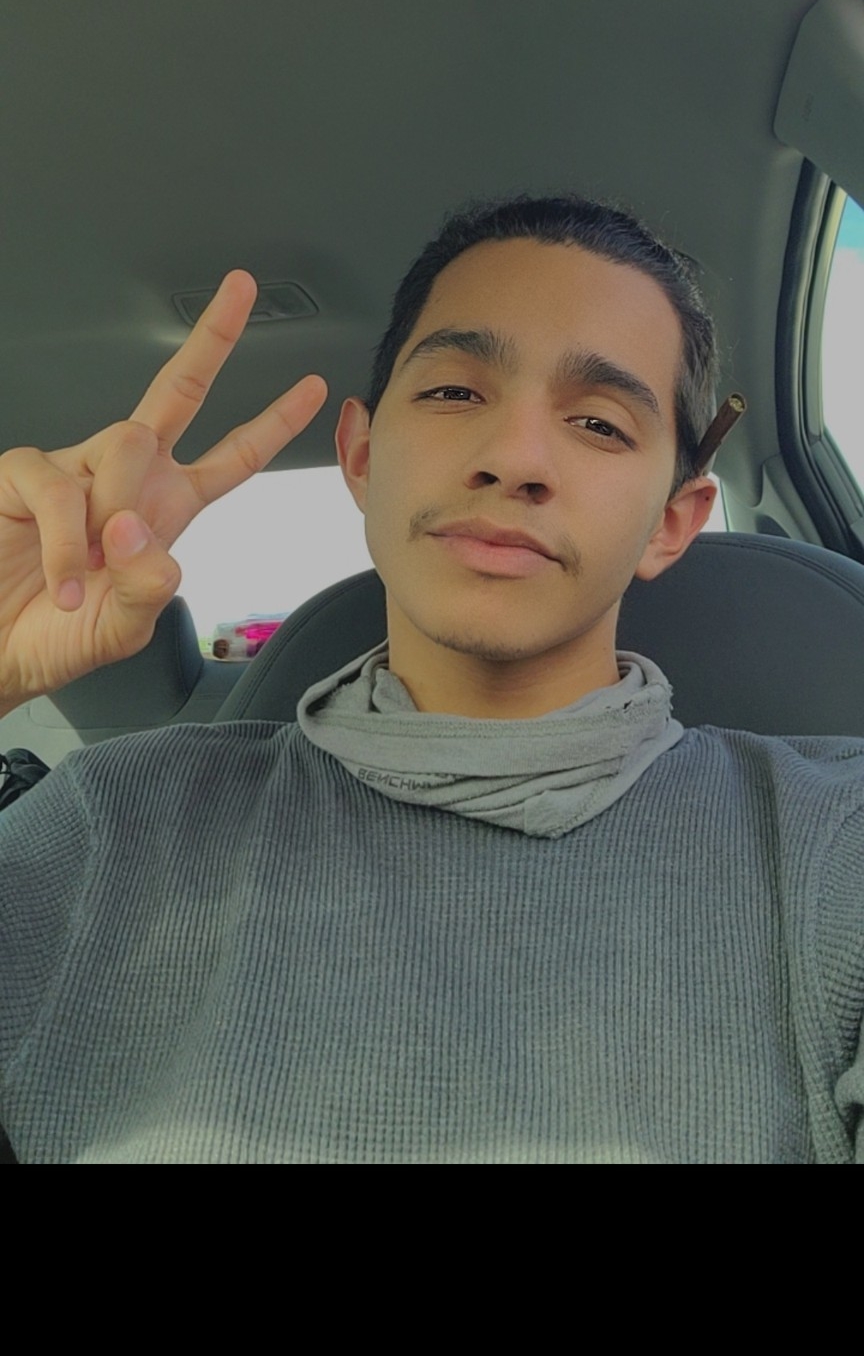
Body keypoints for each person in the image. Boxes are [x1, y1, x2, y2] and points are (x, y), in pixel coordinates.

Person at [1, 192, 862, 1164]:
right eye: (455, 394)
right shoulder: (107, 827)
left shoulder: (832, 846)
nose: (514, 459)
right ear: (363, 457)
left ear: (672, 522)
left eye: (598, 423)